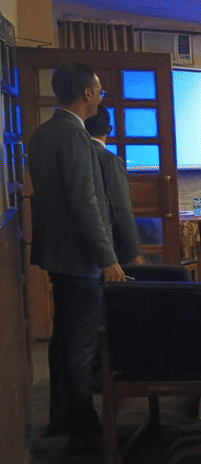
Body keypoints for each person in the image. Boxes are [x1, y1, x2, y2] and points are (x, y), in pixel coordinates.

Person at [28, 62, 126, 453]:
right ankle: (85, 430)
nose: (101, 95)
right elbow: (86, 204)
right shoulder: (73, 136)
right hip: (79, 256)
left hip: (55, 252)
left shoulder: (42, 133)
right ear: (86, 93)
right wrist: (108, 258)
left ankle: (61, 416)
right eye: (99, 90)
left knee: (63, 339)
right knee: (82, 343)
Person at [84, 105, 144, 265]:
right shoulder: (110, 161)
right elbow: (121, 209)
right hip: (110, 249)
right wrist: (133, 254)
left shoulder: (72, 156)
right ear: (109, 129)